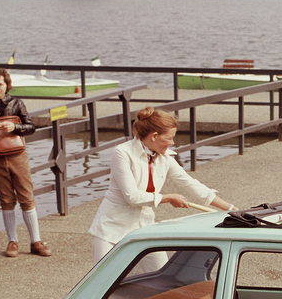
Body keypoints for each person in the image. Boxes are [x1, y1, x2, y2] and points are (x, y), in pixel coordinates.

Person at [89, 107, 236, 265]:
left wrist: (231, 209)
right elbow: (132, 197)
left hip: (143, 228)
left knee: (160, 277)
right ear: (154, 136)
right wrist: (168, 198)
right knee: (104, 286)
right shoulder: (122, 153)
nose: (172, 142)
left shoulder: (165, 157)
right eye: (170, 138)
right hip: (110, 231)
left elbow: (191, 184)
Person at [0, 67, 51, 258]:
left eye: (0, 83)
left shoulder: (17, 103)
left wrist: (15, 127)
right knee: (6, 199)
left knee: (26, 196)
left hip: (18, 155)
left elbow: (31, 126)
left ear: (7, 85)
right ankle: (12, 241)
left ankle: (35, 241)